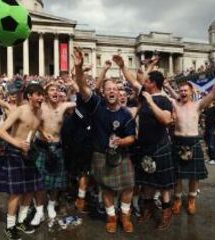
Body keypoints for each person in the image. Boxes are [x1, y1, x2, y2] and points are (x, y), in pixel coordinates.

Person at [75, 48, 136, 233]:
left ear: (119, 93)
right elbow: (83, 86)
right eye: (108, 89)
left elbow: (132, 137)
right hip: (101, 154)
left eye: (115, 89)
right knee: (107, 189)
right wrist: (78, 69)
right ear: (103, 92)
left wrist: (122, 141)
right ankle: (111, 217)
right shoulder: (96, 105)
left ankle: (125, 217)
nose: (112, 91)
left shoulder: (126, 114)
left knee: (128, 187)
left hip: (121, 154)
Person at [0, 84, 44, 240]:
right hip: (14, 153)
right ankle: (10, 226)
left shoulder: (40, 112)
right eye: (38, 95)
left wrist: (45, 135)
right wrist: (17, 143)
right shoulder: (19, 110)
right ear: (29, 96)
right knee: (17, 192)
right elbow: (1, 131)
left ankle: (21, 220)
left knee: (30, 189)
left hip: (29, 154)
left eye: (42, 94)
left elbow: (35, 128)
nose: (41, 97)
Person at [114, 54, 175, 231]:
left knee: (164, 184)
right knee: (147, 182)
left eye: (146, 81)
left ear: (153, 83)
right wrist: (123, 66)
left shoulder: (164, 100)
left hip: (160, 145)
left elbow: (165, 120)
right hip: (145, 146)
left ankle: (166, 213)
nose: (143, 82)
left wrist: (150, 101)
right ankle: (147, 208)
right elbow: (133, 81)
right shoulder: (144, 93)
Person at [171, 64, 215, 215]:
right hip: (178, 141)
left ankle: (192, 200)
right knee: (178, 175)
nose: (182, 92)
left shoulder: (198, 105)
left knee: (194, 176)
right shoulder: (175, 104)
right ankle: (177, 200)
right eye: (180, 90)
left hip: (193, 142)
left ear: (191, 92)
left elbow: (213, 94)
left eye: (185, 90)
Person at [29, 82, 76, 225]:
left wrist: (73, 82)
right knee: (40, 182)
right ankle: (39, 211)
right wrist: (43, 132)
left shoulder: (64, 106)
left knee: (55, 182)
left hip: (57, 147)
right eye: (52, 90)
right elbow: (33, 123)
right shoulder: (40, 107)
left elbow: (82, 99)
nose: (55, 92)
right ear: (46, 94)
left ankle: (51, 205)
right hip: (42, 146)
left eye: (57, 90)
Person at [203, 99, 215, 164]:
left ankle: (214, 159)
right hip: (207, 128)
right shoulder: (206, 109)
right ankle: (210, 158)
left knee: (212, 144)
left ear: (212, 101)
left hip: (212, 128)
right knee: (208, 144)